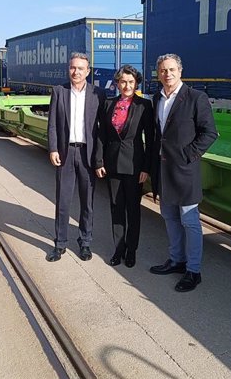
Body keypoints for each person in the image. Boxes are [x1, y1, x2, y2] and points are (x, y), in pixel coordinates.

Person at [149, 53, 218, 292]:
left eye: (171, 70)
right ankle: (176, 260)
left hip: (185, 170)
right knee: (169, 217)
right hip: (163, 169)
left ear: (180, 71)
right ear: (158, 74)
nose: (167, 74)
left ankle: (194, 271)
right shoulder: (156, 98)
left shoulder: (196, 98)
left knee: (190, 221)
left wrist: (189, 155)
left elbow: (210, 133)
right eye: (163, 71)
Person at [46, 53, 106, 262]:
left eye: (81, 68)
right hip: (65, 152)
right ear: (68, 69)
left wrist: (100, 159)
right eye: (73, 68)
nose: (76, 72)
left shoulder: (98, 94)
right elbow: (52, 123)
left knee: (87, 202)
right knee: (63, 201)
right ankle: (60, 243)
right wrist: (53, 149)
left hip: (87, 154)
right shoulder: (59, 91)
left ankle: (85, 242)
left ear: (88, 71)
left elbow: (102, 130)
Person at [94, 65, 153, 268]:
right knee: (116, 208)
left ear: (136, 83)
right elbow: (101, 135)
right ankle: (118, 249)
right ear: (117, 83)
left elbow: (151, 141)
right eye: (123, 81)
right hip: (112, 165)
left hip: (135, 167)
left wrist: (146, 167)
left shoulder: (144, 106)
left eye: (131, 81)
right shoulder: (108, 104)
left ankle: (131, 250)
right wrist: (99, 161)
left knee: (133, 210)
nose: (127, 85)